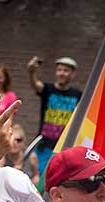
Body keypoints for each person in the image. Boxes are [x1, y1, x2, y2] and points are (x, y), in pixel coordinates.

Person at [26, 55, 82, 183]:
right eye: (59, 70)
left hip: (65, 145)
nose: (62, 73)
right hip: (44, 144)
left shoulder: (77, 95)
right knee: (40, 179)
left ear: (73, 74)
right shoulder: (48, 89)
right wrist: (31, 72)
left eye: (66, 70)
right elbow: (36, 85)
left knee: (58, 180)